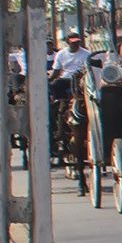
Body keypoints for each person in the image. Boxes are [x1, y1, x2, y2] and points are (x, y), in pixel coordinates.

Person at [46, 30, 94, 163]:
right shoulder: (61, 54)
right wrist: (49, 81)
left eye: (77, 42)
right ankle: (58, 114)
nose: (75, 45)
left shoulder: (86, 54)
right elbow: (56, 71)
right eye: (73, 43)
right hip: (65, 80)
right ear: (67, 42)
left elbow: (89, 70)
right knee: (54, 87)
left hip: (80, 81)